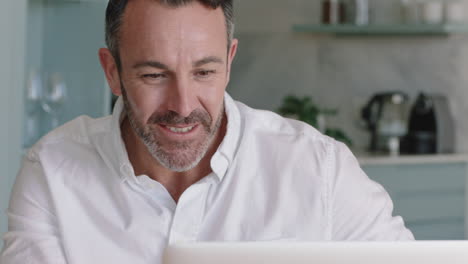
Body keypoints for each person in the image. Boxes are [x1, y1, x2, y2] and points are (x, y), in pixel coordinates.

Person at [0, 0, 414, 263]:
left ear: (229, 62)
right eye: (153, 74)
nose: (183, 105)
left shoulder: (320, 169)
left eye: (204, 72)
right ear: (113, 71)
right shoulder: (52, 172)